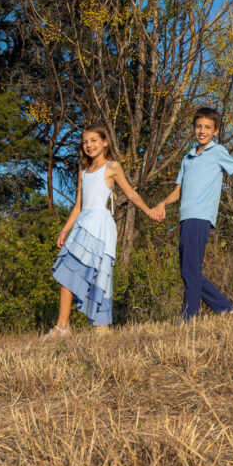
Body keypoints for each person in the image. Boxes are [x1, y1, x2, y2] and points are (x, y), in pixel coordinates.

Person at [151, 107, 233, 322]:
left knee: (190, 271)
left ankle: (188, 319)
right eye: (198, 127)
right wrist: (162, 204)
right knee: (188, 271)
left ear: (215, 131)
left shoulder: (217, 152)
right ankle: (226, 309)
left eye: (207, 128)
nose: (202, 131)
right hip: (185, 217)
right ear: (193, 128)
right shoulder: (188, 158)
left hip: (201, 216)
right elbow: (178, 190)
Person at [48, 126, 157, 336]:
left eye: (93, 140)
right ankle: (62, 327)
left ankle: (102, 328)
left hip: (99, 225)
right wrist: (64, 230)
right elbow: (78, 205)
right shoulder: (83, 170)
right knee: (67, 271)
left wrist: (148, 210)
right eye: (85, 142)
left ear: (105, 142)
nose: (89, 145)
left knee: (99, 275)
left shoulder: (112, 167)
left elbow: (131, 194)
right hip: (83, 224)